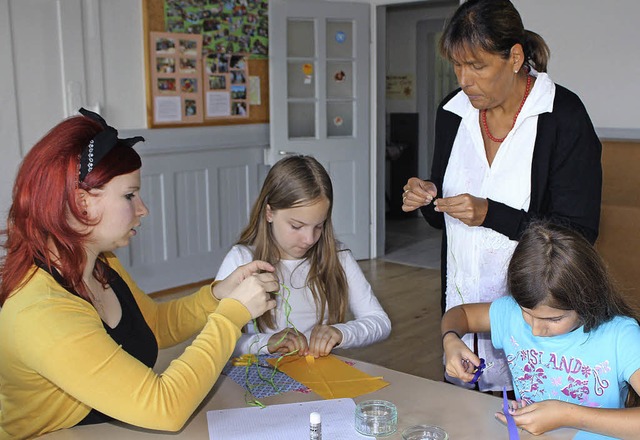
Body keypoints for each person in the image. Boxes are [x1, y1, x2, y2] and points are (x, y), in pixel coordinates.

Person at [0, 109, 278, 438]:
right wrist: (233, 314)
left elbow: (154, 326)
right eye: (130, 196)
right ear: (82, 203)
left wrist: (219, 295)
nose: (143, 208)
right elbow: (166, 408)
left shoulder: (100, 264)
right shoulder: (41, 311)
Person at [401, 0, 602, 393]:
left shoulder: (563, 116)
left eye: (477, 66)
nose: (464, 80)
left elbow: (578, 234)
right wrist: (427, 198)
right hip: (462, 318)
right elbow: (444, 216)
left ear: (514, 57)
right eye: (457, 66)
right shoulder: (452, 111)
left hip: (536, 319)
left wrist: (491, 214)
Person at [441, 222, 640, 439]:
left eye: (554, 319)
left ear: (587, 301)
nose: (535, 330)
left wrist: (569, 415)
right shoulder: (510, 313)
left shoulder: (621, 336)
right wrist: (451, 340)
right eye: (526, 313)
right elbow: (461, 314)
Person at [215, 155, 391, 358]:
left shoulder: (338, 256)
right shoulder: (242, 260)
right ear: (269, 212)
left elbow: (380, 321)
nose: (309, 239)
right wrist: (267, 343)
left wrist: (341, 332)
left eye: (319, 226)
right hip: (260, 376)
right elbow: (217, 339)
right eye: (296, 226)